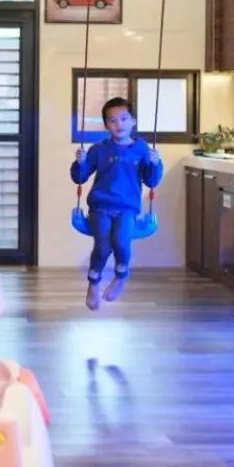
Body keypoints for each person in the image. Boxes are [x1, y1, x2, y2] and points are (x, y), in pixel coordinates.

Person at [70, 97, 163, 311]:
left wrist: (156, 164)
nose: (118, 124)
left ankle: (120, 276)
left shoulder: (142, 149)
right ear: (106, 125)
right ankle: (93, 282)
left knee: (121, 241)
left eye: (123, 119)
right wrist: (80, 162)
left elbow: (151, 180)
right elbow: (80, 177)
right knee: (102, 244)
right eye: (112, 120)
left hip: (127, 208)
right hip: (100, 205)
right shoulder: (98, 150)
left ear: (133, 122)